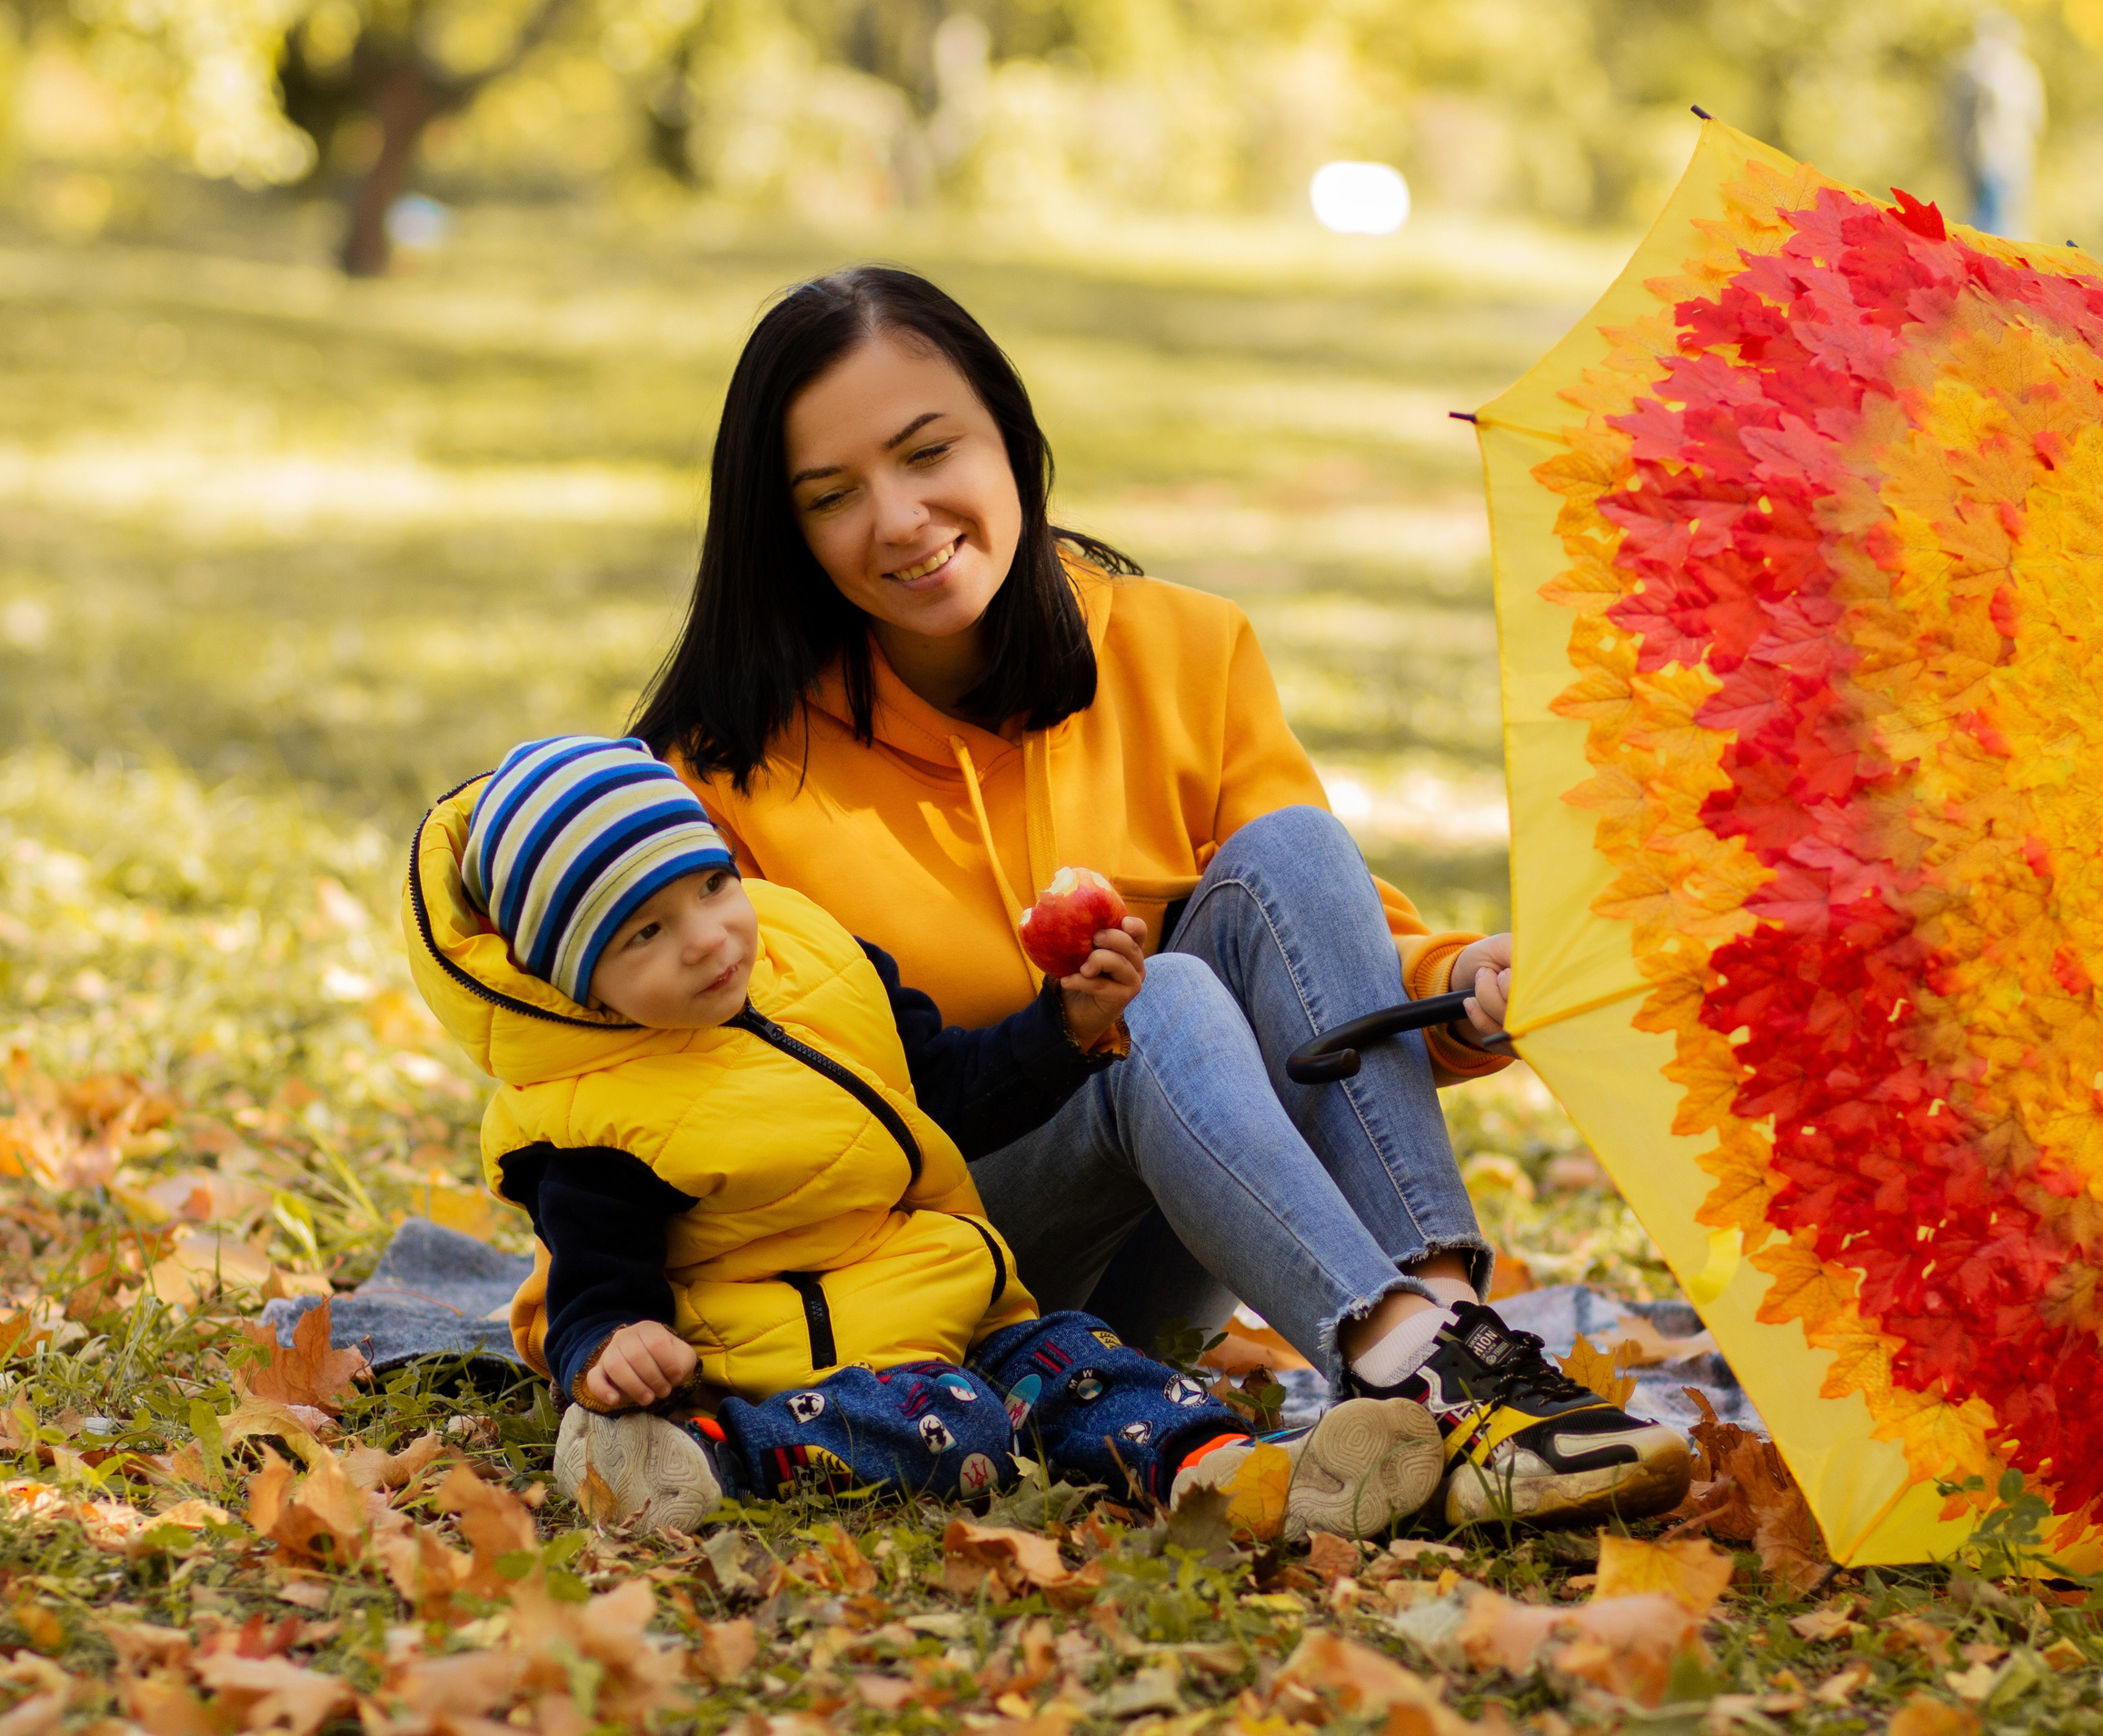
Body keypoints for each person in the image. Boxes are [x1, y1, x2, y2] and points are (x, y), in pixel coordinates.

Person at [632, 266, 1691, 1526]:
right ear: (787, 531)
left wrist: (1454, 989)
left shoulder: (1184, 648)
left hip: (1165, 1247)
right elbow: (662, 1100)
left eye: (930, 452)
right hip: (927, 1281)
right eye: (833, 496)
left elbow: (1313, 943)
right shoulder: (725, 768)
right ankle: (1432, 1370)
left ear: (1009, 439)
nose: (902, 517)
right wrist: (600, 1310)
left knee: (1291, 849)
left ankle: (1447, 1332)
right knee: (1166, 994)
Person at [401, 733, 1445, 1538]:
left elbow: (942, 1087)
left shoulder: (810, 956)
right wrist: (608, 1347)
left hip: (955, 1301)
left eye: (711, 884)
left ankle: (1234, 1472)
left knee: (1083, 1360)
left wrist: (1066, 1028)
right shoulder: (594, 1114)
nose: (711, 935)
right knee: (950, 1418)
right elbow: (591, 1280)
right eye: (646, 931)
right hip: (794, 1359)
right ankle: (703, 1458)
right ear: (574, 981)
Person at [1950, 11, 2046, 239]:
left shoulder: (2023, 72)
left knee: (2008, 217)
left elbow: (2035, 119)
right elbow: (1959, 119)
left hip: (2012, 156)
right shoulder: (1973, 70)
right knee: (1983, 215)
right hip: (1982, 156)